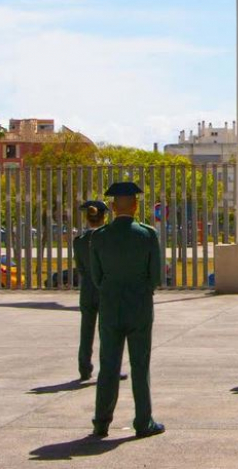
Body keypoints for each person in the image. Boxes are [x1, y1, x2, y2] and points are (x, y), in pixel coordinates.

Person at [90, 181, 164, 439]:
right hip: (140, 307)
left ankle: (101, 422)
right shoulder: (147, 234)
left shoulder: (99, 237)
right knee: (140, 365)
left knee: (108, 365)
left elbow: (96, 277)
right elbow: (155, 276)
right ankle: (143, 422)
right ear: (135, 205)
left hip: (110, 307)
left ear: (111, 207)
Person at [73, 200, 128, 382]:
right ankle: (110, 368)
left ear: (87, 218)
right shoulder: (108, 238)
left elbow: (80, 268)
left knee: (86, 330)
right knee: (108, 332)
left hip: (88, 289)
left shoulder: (79, 241)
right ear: (104, 217)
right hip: (106, 288)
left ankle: (84, 367)